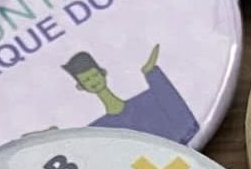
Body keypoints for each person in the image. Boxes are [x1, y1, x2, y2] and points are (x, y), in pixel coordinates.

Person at [62, 46, 198, 141]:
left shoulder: (147, 101)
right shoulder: (98, 129)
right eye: (86, 80)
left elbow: (183, 121)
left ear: (103, 73)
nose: (93, 81)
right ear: (80, 86)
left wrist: (151, 73)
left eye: (94, 75)